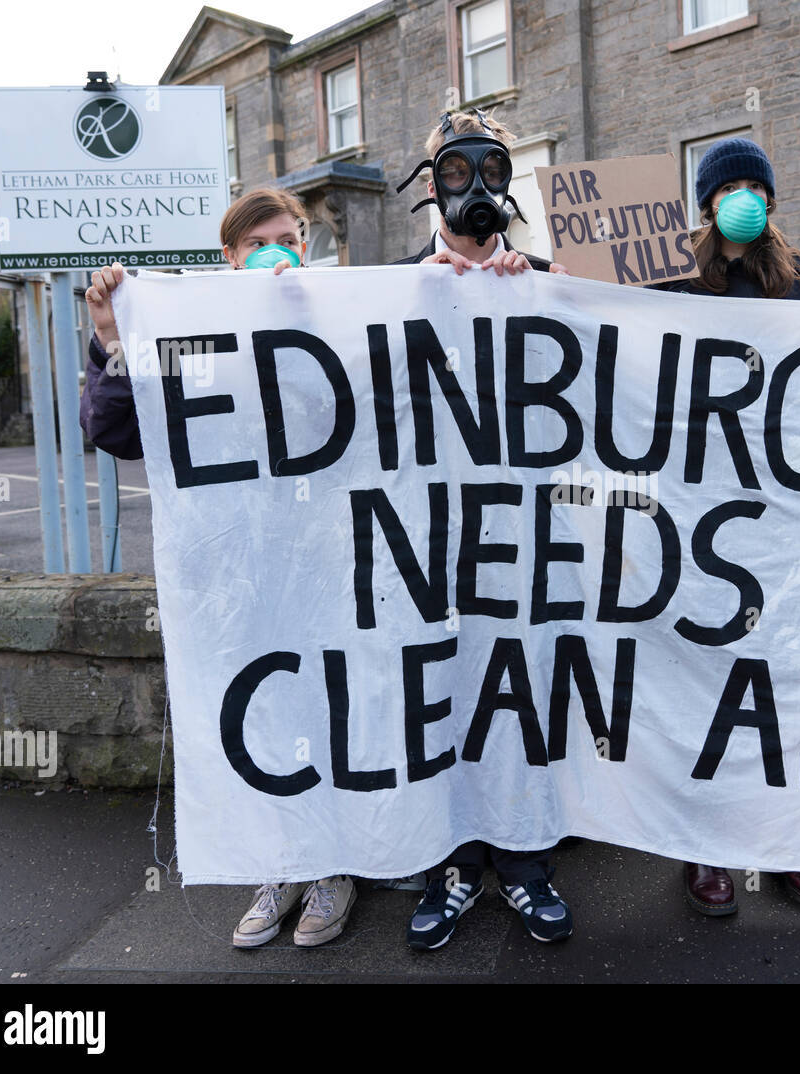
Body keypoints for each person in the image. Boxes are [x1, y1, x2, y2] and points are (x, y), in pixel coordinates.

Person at [80, 187, 425, 948]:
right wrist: (112, 340)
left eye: (294, 237)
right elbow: (117, 431)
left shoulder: (338, 315)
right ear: (229, 257)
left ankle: (334, 867)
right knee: (266, 714)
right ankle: (280, 864)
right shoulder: (193, 333)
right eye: (264, 240)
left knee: (333, 708)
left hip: (335, 559)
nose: (284, 252)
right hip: (243, 570)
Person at [654, 136, 800, 917]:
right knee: (706, 677)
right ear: (707, 201)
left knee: (785, 678)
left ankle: (788, 842)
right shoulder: (672, 280)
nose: (744, 196)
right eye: (728, 186)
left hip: (787, 509)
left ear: (772, 199)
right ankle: (705, 849)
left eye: (756, 186)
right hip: (702, 507)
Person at [392, 109, 577, 950]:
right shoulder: (392, 289)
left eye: (489, 168)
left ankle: (528, 861)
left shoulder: (547, 278)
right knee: (449, 702)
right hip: (434, 543)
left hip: (529, 541)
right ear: (433, 186)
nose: (473, 188)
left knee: (525, 692)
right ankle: (455, 866)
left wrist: (546, 287)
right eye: (455, 171)